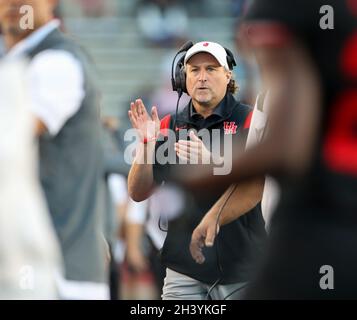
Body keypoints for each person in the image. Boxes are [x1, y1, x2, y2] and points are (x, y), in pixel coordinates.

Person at [186, 0, 357, 298]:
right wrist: (215, 215)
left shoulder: (288, 11)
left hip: (322, 223)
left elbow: (284, 149)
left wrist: (184, 178)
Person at [128, 41, 267, 300]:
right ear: (183, 79)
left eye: (211, 69)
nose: (202, 77)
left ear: (228, 76)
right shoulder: (169, 124)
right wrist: (146, 146)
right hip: (184, 269)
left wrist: (214, 162)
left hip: (242, 266)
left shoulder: (251, 120)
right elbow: (137, 192)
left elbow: (255, 186)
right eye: (194, 70)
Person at [0, 0, 108, 299]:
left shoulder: (57, 61)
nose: (15, 3)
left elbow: (10, 142)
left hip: (55, 274)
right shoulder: (13, 60)